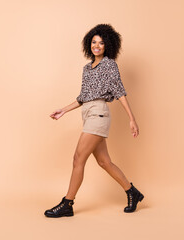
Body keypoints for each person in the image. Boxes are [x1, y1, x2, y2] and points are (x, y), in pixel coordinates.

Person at [44, 24, 144, 218]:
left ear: (108, 45)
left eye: (101, 42)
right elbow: (83, 97)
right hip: (88, 114)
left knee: (77, 159)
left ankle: (67, 203)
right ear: (88, 44)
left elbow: (120, 91)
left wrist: (132, 119)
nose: (97, 45)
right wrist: (63, 110)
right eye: (93, 42)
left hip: (99, 115)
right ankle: (132, 191)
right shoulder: (87, 69)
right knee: (104, 162)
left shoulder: (109, 65)